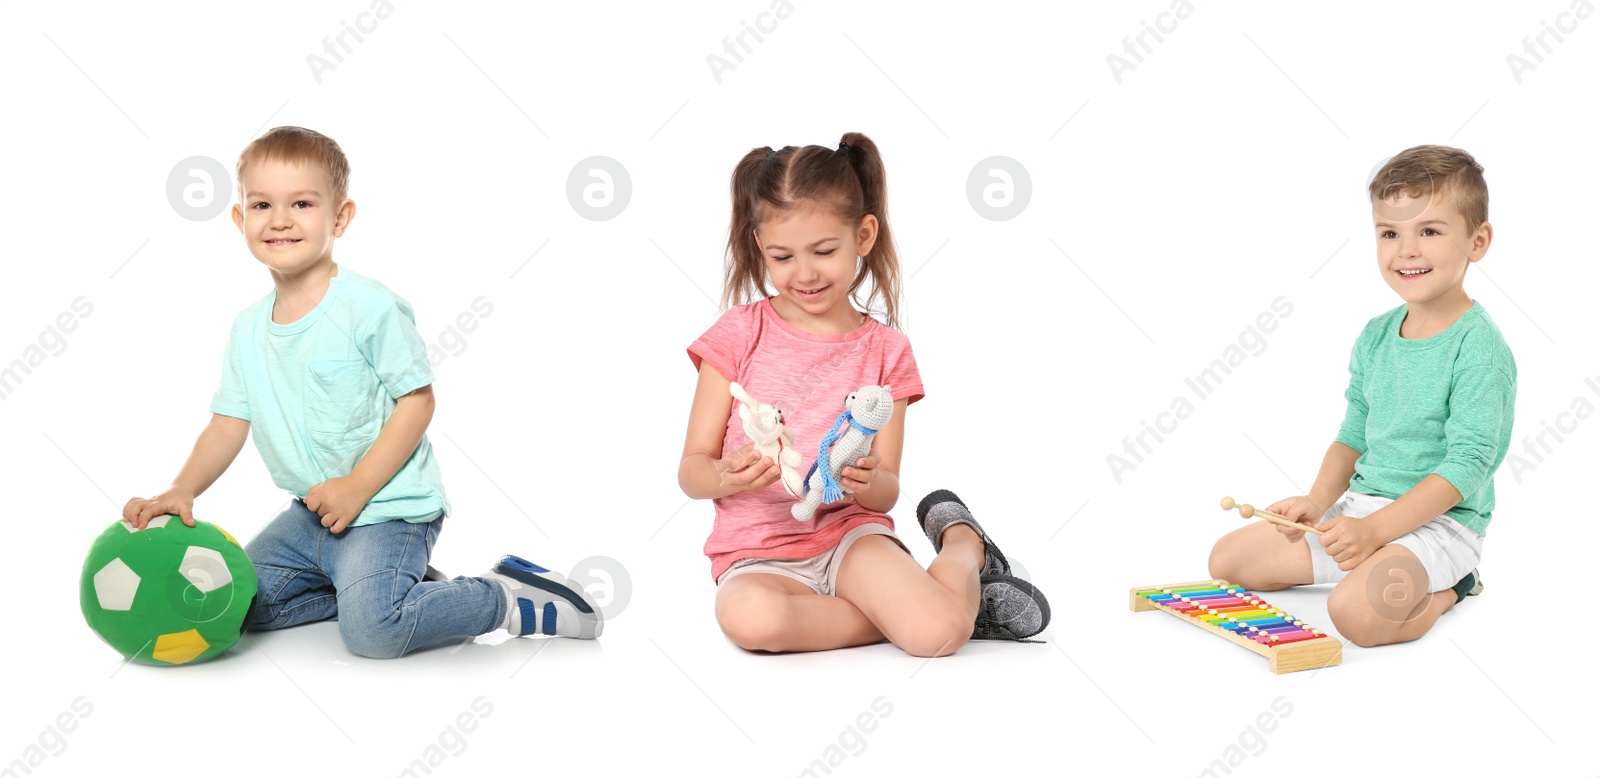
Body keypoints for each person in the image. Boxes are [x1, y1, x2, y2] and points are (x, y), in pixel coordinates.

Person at [121, 126, 600, 658]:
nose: (279, 219)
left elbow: (417, 402)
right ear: (240, 219)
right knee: (239, 604)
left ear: (340, 217)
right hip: (313, 516)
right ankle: (393, 587)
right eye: (261, 204)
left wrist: (356, 486)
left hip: (388, 506)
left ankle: (500, 596)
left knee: (374, 633)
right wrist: (183, 489)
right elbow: (228, 422)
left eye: (301, 203)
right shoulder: (247, 328)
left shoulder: (368, 308)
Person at [678, 132, 1050, 657]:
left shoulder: (887, 350)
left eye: (824, 251)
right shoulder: (737, 335)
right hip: (757, 557)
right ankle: (934, 601)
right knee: (748, 619)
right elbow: (691, 470)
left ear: (864, 235)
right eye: (782, 256)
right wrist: (720, 474)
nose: (804, 274)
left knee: (936, 636)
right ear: (760, 245)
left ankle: (964, 545)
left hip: (850, 541)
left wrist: (868, 481)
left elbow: (887, 491)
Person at [1209, 145, 1516, 647]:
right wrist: (1316, 502)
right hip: (1361, 513)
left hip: (1440, 526)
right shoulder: (1376, 335)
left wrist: (1377, 532)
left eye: (1430, 232)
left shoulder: (1478, 348)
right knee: (1229, 561)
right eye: (1390, 233)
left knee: (1355, 616)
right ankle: (1372, 565)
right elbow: (1352, 436)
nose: (1406, 250)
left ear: (1477, 241)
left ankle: (1455, 587)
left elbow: (1467, 466)